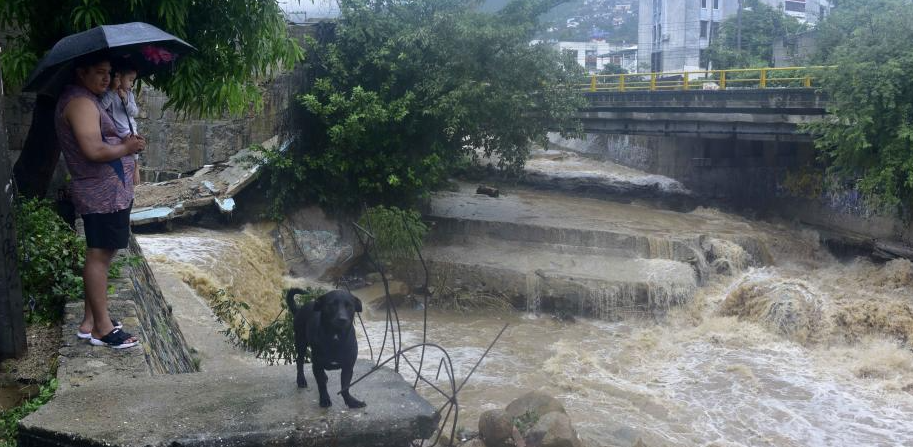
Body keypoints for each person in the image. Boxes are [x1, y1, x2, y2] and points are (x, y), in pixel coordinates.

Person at [57, 52, 146, 349]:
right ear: (80, 72)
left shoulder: (87, 98)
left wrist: (125, 145)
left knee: (101, 255)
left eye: (109, 72)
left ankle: (90, 321)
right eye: (99, 72)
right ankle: (102, 330)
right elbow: (93, 150)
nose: (107, 78)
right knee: (100, 255)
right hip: (101, 194)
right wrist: (126, 147)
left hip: (109, 192)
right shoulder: (80, 102)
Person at [100, 61, 141, 184]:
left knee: (135, 149)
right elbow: (101, 107)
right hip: (117, 131)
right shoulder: (109, 92)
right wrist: (113, 91)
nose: (132, 84)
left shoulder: (129, 95)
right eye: (130, 80)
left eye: (133, 80)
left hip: (129, 129)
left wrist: (126, 101)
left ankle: (136, 167)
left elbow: (135, 112)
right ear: (118, 77)